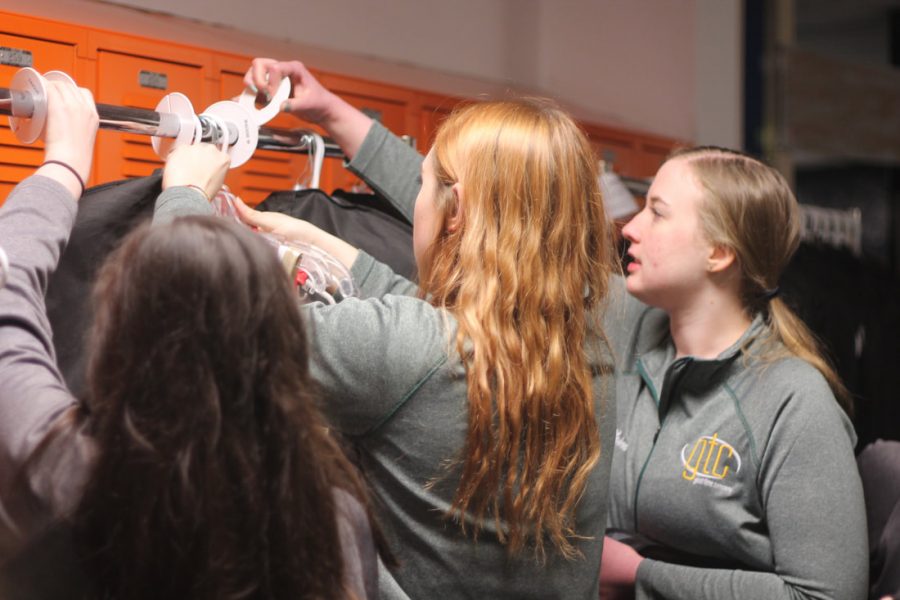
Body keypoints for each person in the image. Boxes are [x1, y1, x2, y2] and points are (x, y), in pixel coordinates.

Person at [185, 58, 619, 600]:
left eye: (422, 183)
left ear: (454, 210)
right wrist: (315, 241)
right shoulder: (582, 349)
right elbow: (444, 334)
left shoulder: (408, 348)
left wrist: (185, 197)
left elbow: (196, 322)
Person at [0, 78, 378, 600]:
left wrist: (64, 162)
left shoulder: (70, 470)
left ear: (116, 338)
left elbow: (6, 299)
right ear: (285, 349)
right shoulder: (330, 517)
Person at [597, 146, 868, 599]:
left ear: (719, 253)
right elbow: (523, 272)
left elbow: (827, 596)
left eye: (657, 213)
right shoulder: (627, 322)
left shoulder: (793, 401)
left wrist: (641, 574)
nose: (631, 227)